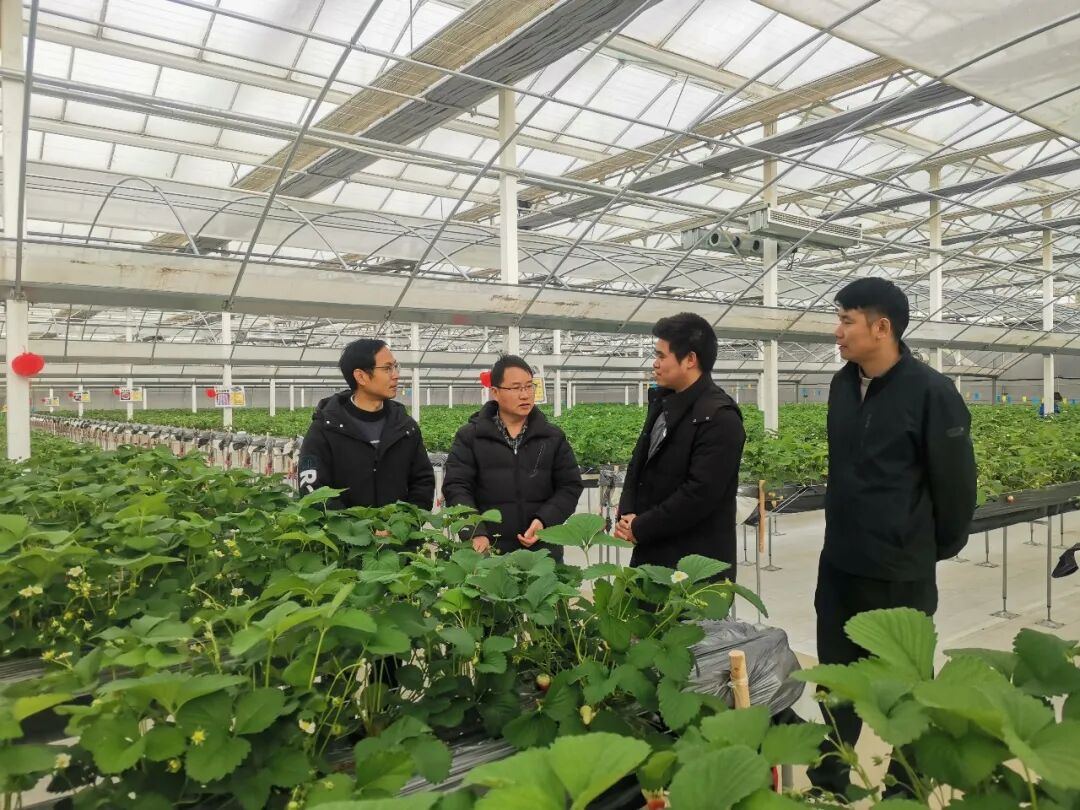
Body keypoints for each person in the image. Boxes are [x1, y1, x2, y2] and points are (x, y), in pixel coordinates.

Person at [808, 277, 977, 798]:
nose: (837, 332)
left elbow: (956, 485)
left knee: (905, 691)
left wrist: (926, 547)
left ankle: (906, 792)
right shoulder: (842, 385)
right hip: (840, 565)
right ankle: (830, 786)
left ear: (882, 328)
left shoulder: (932, 392)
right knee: (837, 683)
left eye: (846, 321)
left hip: (899, 572)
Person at [613, 312, 745, 578]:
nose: (655, 363)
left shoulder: (720, 418)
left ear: (690, 360)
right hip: (653, 552)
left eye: (661, 356)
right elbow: (639, 463)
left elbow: (698, 495)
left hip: (693, 570)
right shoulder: (663, 403)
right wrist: (627, 514)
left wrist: (641, 527)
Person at [442, 355, 583, 559]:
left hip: (542, 554)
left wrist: (544, 521)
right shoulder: (470, 437)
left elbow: (570, 486)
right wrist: (475, 531)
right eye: (516, 388)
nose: (525, 395)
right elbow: (456, 486)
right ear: (495, 392)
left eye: (529, 386)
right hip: (489, 552)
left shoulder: (552, 437)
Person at [298, 338, 434, 510]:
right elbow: (312, 491)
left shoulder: (406, 427)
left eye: (395, 367)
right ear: (361, 376)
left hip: (400, 528)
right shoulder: (324, 430)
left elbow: (423, 482)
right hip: (344, 527)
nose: (395, 375)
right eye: (387, 368)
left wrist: (405, 520)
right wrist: (354, 524)